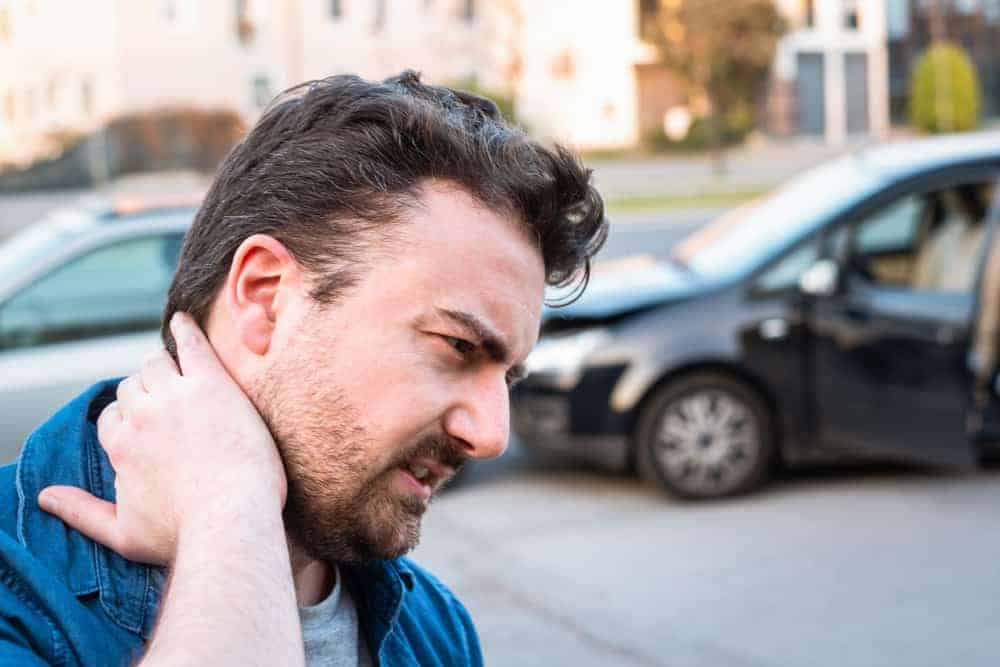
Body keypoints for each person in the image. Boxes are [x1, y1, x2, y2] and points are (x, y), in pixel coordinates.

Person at [0, 71, 607, 666]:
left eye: (506, 378)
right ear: (266, 296)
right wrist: (231, 507)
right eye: (455, 346)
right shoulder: (16, 592)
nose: (492, 436)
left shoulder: (436, 630)